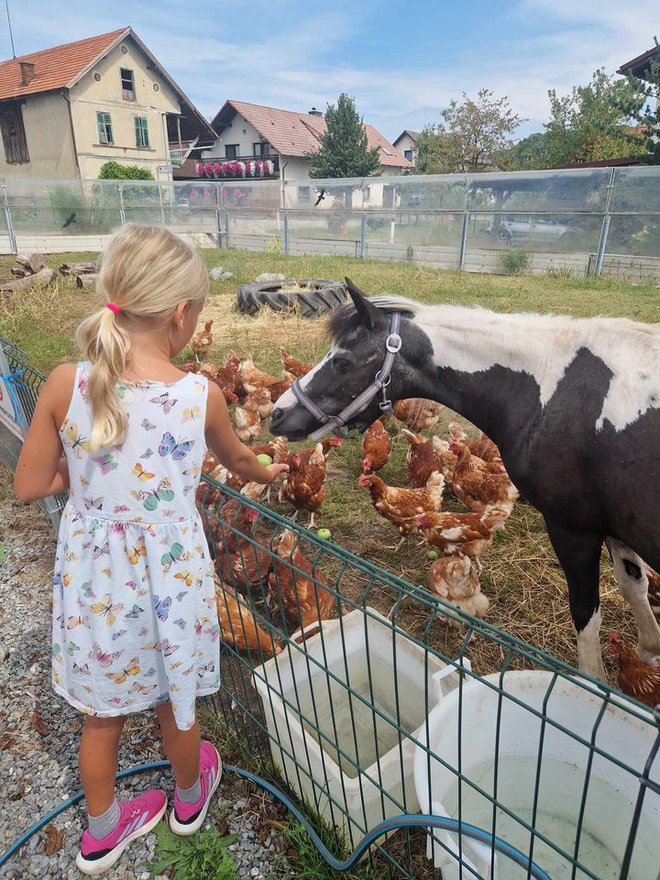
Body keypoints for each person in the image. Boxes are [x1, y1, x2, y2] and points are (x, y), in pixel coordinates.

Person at [14, 225, 288, 875]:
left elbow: (29, 484)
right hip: (172, 583)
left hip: (96, 584)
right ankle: (189, 802)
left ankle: (103, 833)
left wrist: (85, 479)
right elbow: (241, 460)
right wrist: (271, 472)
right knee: (177, 701)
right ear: (182, 314)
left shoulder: (62, 383)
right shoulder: (199, 397)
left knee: (100, 718)